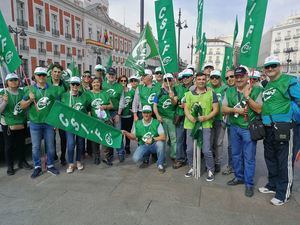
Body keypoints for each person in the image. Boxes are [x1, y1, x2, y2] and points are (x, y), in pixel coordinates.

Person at [259, 56, 300, 206]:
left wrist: (291, 119)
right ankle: (273, 184)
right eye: (267, 67)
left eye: (273, 66)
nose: (270, 69)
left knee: (284, 161)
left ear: (280, 66)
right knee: (270, 157)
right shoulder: (268, 85)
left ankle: (283, 193)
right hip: (269, 127)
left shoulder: (290, 80)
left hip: (284, 126)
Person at [222, 66, 262, 197]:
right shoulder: (230, 91)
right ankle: (239, 177)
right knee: (236, 155)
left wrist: (247, 97)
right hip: (234, 127)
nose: (238, 79)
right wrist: (235, 110)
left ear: (247, 77)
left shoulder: (256, 90)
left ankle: (249, 184)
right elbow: (223, 108)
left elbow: (259, 109)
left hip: (248, 128)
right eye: (236, 76)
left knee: (249, 157)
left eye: (241, 76)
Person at [20, 67, 62, 178]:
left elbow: (57, 107)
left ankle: (50, 165)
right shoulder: (29, 90)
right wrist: (29, 100)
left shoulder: (53, 89)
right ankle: (37, 167)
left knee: (51, 146)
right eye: (39, 75)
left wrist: (56, 122)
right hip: (35, 123)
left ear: (46, 76)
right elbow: (22, 105)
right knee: (36, 147)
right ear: (35, 76)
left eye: (43, 75)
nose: (41, 77)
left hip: (49, 123)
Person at [183, 72, 218, 181]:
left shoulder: (212, 93)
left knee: (206, 150)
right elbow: (186, 108)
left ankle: (210, 169)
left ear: (206, 80)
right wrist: (189, 117)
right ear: (195, 81)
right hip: (190, 125)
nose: (201, 81)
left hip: (206, 125)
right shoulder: (188, 94)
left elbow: (216, 109)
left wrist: (206, 117)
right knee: (189, 150)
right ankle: (192, 167)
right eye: (199, 79)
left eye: (203, 79)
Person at [0, 73, 33, 175]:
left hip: (21, 122)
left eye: (15, 79)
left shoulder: (22, 92)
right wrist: (4, 102)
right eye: (11, 80)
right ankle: (10, 166)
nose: (13, 82)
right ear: (7, 82)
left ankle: (22, 162)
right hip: (7, 124)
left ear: (18, 81)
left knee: (21, 144)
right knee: (9, 146)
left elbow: (26, 107)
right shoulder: (3, 93)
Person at [122, 105, 166, 173]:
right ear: (142, 113)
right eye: (144, 112)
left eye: (148, 112)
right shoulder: (138, 123)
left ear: (151, 113)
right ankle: (146, 158)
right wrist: (126, 133)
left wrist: (153, 139)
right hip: (144, 145)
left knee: (161, 144)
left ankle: (160, 164)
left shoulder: (156, 122)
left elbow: (163, 137)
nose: (146, 114)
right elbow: (133, 136)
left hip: (154, 144)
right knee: (135, 159)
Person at [61, 76, 90, 173]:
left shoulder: (83, 96)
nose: (75, 86)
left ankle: (78, 161)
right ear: (70, 85)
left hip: (80, 125)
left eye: (77, 84)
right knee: (70, 144)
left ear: (79, 85)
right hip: (69, 125)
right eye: (73, 84)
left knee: (81, 144)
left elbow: (88, 109)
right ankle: (70, 163)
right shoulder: (64, 96)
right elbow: (60, 110)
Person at [87, 78, 113, 165]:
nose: (96, 84)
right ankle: (96, 156)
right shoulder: (88, 94)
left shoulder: (105, 93)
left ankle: (106, 157)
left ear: (100, 83)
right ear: (91, 84)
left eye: (97, 82)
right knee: (95, 139)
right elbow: (87, 107)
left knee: (106, 138)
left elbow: (111, 105)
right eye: (94, 82)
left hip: (106, 119)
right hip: (94, 120)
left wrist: (105, 106)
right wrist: (89, 115)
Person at [102, 67, 125, 163]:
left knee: (118, 133)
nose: (111, 76)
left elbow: (122, 101)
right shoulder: (102, 85)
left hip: (115, 112)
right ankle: (109, 154)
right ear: (106, 75)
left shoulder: (119, 87)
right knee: (108, 133)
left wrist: (118, 114)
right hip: (105, 113)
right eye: (109, 74)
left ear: (115, 76)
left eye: (113, 74)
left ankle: (120, 152)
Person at [47, 63, 68, 165]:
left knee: (63, 138)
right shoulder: (46, 83)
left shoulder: (65, 84)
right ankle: (53, 155)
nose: (57, 74)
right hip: (50, 115)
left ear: (61, 73)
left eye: (59, 72)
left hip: (63, 115)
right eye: (55, 71)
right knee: (51, 138)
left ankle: (63, 157)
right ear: (51, 72)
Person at [153, 73, 178, 160]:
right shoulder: (159, 91)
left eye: (170, 79)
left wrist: (171, 97)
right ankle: (161, 157)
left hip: (171, 118)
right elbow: (154, 105)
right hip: (162, 118)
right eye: (166, 80)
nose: (168, 81)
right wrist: (157, 115)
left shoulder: (175, 90)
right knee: (162, 138)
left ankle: (174, 155)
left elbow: (175, 103)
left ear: (172, 81)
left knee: (173, 138)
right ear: (163, 81)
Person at [173, 69, 194, 169]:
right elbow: (174, 102)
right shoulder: (177, 88)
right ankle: (180, 159)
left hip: (191, 117)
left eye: (188, 77)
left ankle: (191, 159)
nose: (185, 79)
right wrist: (175, 101)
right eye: (184, 77)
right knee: (179, 139)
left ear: (192, 77)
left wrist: (188, 106)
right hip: (180, 116)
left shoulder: (196, 88)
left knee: (190, 140)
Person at [209, 70, 227, 173]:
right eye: (212, 77)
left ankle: (217, 162)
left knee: (218, 142)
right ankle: (210, 161)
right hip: (210, 119)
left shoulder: (225, 89)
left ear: (220, 78)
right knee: (210, 142)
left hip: (221, 119)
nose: (214, 79)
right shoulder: (207, 88)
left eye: (216, 77)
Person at [117, 75, 137, 155]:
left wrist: (133, 110)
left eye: (125, 81)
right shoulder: (118, 92)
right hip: (120, 116)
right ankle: (121, 148)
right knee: (121, 132)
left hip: (129, 116)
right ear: (119, 81)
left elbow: (135, 102)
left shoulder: (131, 91)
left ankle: (127, 146)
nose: (123, 82)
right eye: (121, 81)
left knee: (128, 132)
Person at [222, 69, 235, 175]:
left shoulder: (246, 89)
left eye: (231, 76)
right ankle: (231, 166)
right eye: (227, 78)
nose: (229, 79)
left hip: (244, 124)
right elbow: (223, 108)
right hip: (230, 123)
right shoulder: (227, 91)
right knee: (231, 146)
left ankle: (241, 168)